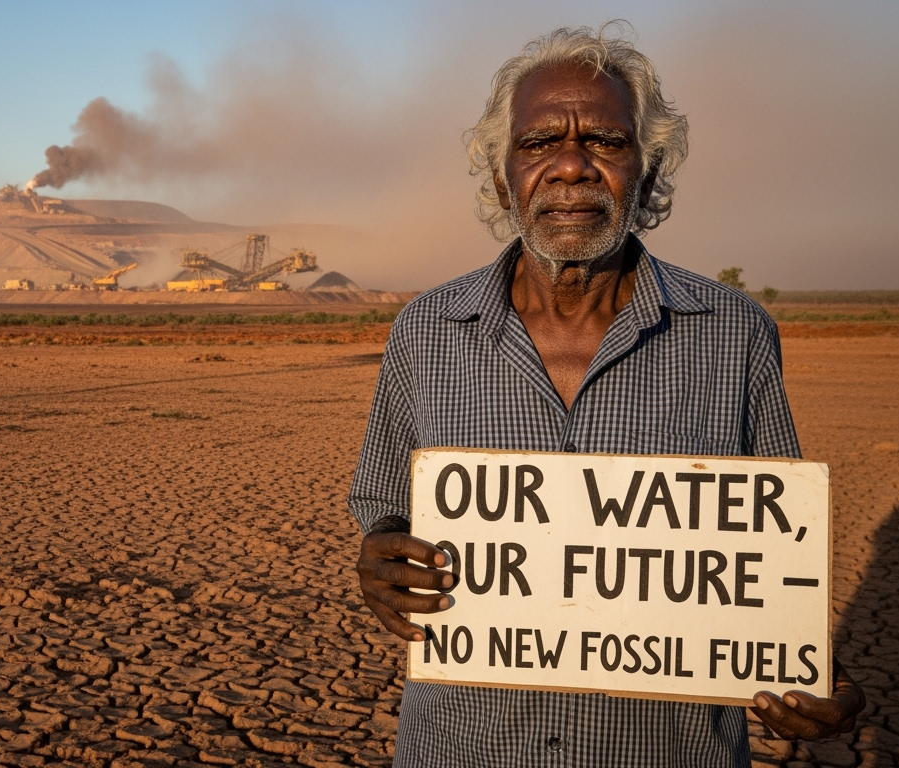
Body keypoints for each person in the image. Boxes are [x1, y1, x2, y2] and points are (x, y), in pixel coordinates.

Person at [348, 24, 864, 766]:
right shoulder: (426, 330)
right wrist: (381, 561)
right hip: (462, 747)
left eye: (605, 142)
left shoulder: (734, 332)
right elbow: (384, 507)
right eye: (538, 143)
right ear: (501, 178)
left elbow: (770, 550)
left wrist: (811, 672)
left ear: (647, 176)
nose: (570, 166)